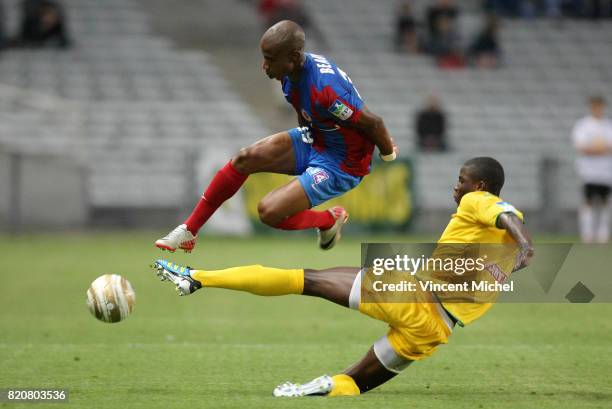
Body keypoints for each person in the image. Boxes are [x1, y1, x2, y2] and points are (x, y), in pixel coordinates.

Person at [152, 157, 534, 397]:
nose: (458, 186)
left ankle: (197, 277)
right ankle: (311, 389)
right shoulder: (502, 245)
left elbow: (504, 215)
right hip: (434, 332)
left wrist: (525, 244)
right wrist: (519, 251)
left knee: (307, 279)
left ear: (480, 187)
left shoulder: (479, 202)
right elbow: (508, 229)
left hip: (412, 298)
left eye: (462, 180)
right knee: (354, 382)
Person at [155, 20, 397, 253]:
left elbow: (373, 122)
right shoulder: (290, 75)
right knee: (244, 158)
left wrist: (388, 153)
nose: (264, 66)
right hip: (318, 139)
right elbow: (305, 112)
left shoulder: (326, 89)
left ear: (292, 57)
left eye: (270, 60)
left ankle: (327, 220)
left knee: (268, 212)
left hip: (342, 163)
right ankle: (189, 230)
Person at [572, 95, 612, 243]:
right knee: (588, 202)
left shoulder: (608, 125)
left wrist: (595, 147)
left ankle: (603, 234)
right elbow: (582, 147)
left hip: (606, 172)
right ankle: (587, 234)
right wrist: (601, 148)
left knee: (604, 203)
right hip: (588, 172)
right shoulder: (583, 125)